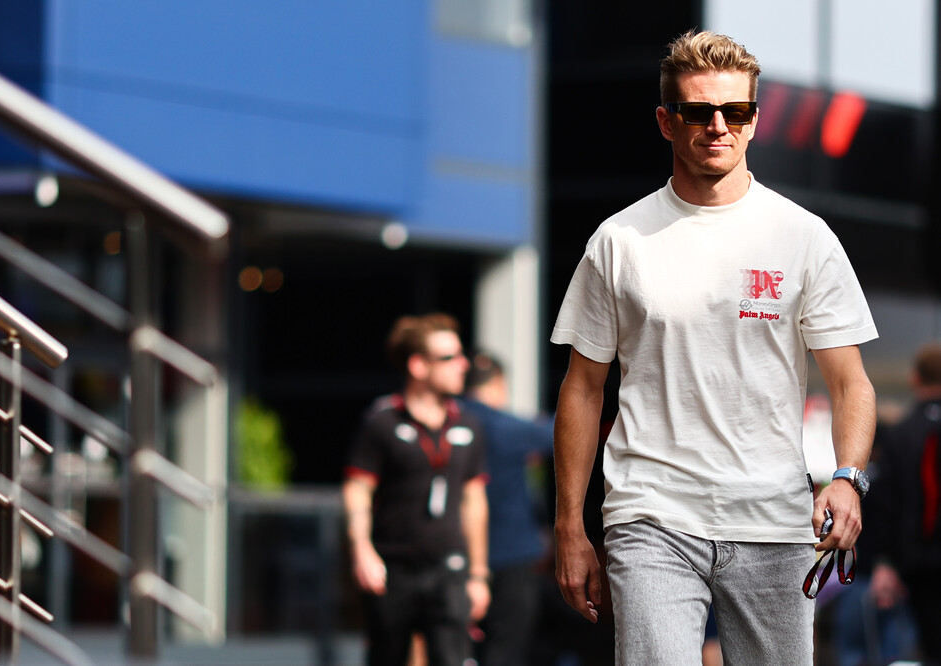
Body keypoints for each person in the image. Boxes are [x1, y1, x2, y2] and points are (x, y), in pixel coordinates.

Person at [549, 30, 879, 665]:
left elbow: (851, 383)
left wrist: (848, 478)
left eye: (737, 111)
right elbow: (583, 389)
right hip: (651, 513)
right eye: (698, 112)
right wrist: (570, 527)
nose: (718, 126)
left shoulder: (803, 237)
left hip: (775, 518)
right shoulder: (620, 240)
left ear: (755, 120)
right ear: (666, 122)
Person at [343, 313, 491, 666]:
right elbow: (357, 490)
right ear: (418, 366)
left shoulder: (469, 424)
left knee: (452, 657)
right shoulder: (382, 421)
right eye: (449, 358)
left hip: (449, 566)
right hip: (392, 566)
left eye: (461, 355)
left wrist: (479, 575)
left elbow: (475, 503)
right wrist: (362, 550)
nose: (463, 365)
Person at [460, 352, 553, 666]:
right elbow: (562, 429)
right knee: (506, 649)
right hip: (511, 554)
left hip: (457, 556)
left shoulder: (450, 424)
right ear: (497, 384)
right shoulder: (509, 428)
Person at [867, 342, 941, 664]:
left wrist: (883, 562)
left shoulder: (900, 434)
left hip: (919, 567)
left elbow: (884, 505)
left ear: (914, 379)